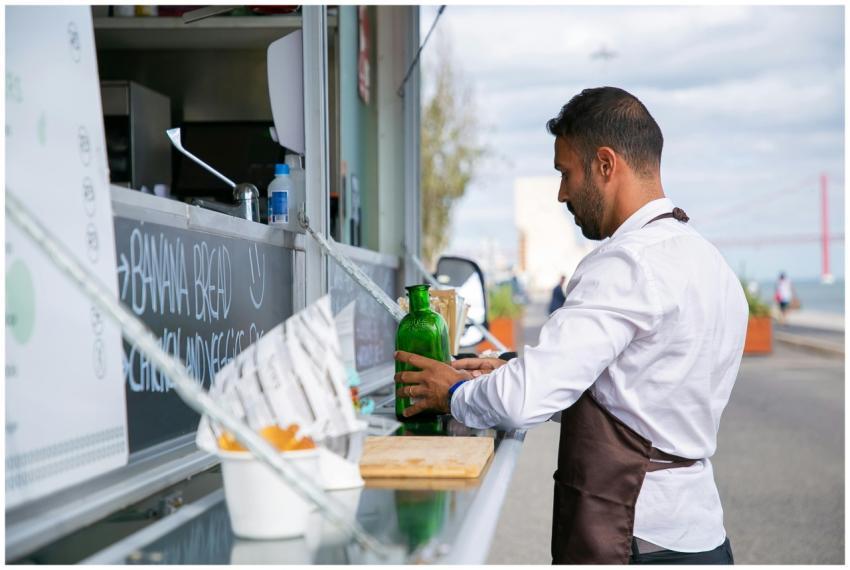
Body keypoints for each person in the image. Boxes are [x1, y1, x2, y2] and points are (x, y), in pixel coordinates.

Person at [394, 87, 747, 565]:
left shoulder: (625, 263)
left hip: (633, 537)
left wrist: (450, 393)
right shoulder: (709, 263)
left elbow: (524, 400)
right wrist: (504, 367)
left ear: (605, 164)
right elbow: (635, 392)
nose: (561, 194)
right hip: (702, 537)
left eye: (565, 173)